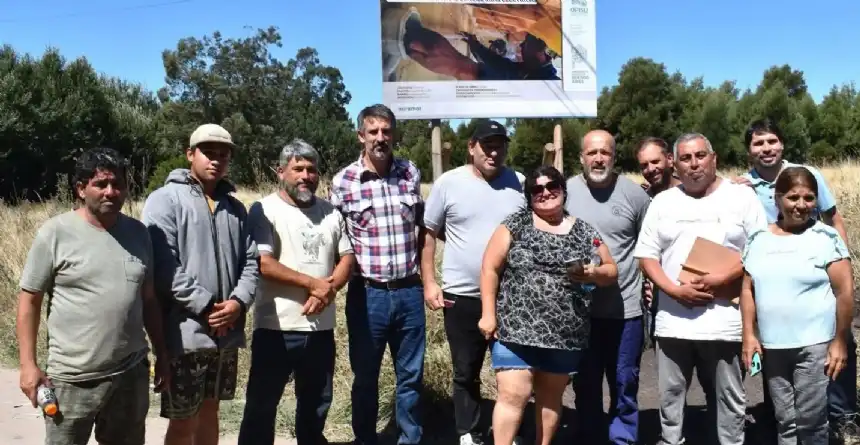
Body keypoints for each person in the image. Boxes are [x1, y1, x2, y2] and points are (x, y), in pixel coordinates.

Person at [16, 147, 169, 445]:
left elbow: (149, 300)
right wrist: (28, 366)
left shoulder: (140, 234)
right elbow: (29, 301)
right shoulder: (55, 234)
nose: (111, 192)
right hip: (73, 379)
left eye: (118, 184)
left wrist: (162, 355)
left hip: (130, 373)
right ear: (81, 189)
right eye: (101, 184)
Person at [633, 133, 768, 445]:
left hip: (725, 324)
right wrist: (672, 290)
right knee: (670, 401)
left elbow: (759, 249)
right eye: (685, 158)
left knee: (730, 401)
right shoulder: (664, 201)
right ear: (675, 164)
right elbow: (647, 255)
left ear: (714, 158)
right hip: (673, 324)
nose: (693, 164)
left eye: (700, 156)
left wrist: (721, 278)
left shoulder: (741, 197)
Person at [732, 118, 856, 434]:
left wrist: (839, 257)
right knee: (785, 412)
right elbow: (748, 278)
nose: (766, 148)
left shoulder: (809, 177)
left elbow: (833, 219)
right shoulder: (742, 188)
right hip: (775, 314)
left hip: (814, 307)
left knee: (827, 381)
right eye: (758, 143)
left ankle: (844, 418)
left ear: (782, 143)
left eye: (771, 141)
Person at [479, 165, 618, 445]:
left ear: (563, 190)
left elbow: (611, 270)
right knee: (512, 395)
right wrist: (488, 314)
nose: (545, 193)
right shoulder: (515, 224)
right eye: (537, 189)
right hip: (515, 330)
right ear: (529, 196)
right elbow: (490, 268)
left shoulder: (583, 230)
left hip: (565, 334)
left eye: (552, 186)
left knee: (550, 399)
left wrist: (593, 273)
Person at [142, 123, 260, 445]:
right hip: (185, 333)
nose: (216, 160)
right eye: (208, 153)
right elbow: (163, 266)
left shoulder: (236, 208)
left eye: (224, 155)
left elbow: (251, 263)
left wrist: (237, 304)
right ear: (190, 154)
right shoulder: (164, 200)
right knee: (183, 421)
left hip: (227, 333)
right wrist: (207, 305)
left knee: (211, 413)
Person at [238, 140, 356, 445]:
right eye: (298, 168)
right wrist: (311, 283)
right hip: (276, 328)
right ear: (281, 172)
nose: (305, 175)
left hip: (320, 329)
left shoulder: (331, 212)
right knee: (262, 407)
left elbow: (347, 258)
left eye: (311, 169)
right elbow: (264, 263)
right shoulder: (264, 209)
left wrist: (326, 290)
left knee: (316, 406)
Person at [422, 119, 524, 445]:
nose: (494, 152)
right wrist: (429, 281)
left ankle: (509, 433)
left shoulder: (519, 182)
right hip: (461, 295)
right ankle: (468, 432)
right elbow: (428, 235)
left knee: (513, 372)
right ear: (471, 147)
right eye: (486, 145)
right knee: (465, 370)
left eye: (500, 145)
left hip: (511, 295)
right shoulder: (448, 183)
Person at [329, 104, 426, 445]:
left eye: (386, 131)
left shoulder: (410, 172)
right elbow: (335, 240)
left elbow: (422, 229)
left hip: (409, 292)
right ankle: (365, 438)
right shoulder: (343, 182)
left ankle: (409, 439)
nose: (380, 138)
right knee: (365, 376)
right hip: (366, 295)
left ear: (394, 134)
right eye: (373, 132)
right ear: (361, 136)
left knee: (411, 376)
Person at [565, 130, 651, 445]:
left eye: (605, 153)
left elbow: (652, 245)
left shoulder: (634, 195)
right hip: (578, 312)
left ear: (614, 157)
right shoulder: (565, 191)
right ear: (581, 157)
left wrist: (652, 283)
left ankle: (622, 438)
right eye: (592, 153)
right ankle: (590, 435)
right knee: (585, 382)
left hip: (624, 309)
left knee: (624, 380)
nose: (598, 158)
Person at [634, 136, 680, 349]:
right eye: (644, 165)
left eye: (655, 162)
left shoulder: (692, 193)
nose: (650, 169)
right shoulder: (643, 199)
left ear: (670, 159)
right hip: (657, 298)